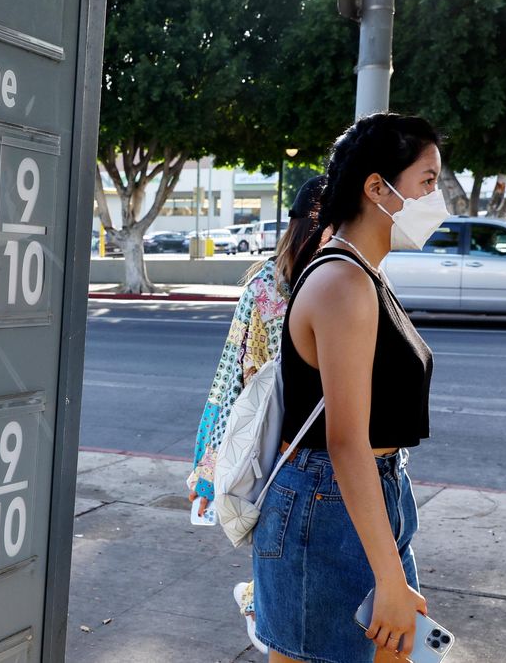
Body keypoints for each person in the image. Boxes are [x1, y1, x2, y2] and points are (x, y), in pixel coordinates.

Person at [252, 113, 446, 663]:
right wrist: (388, 577)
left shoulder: (364, 273)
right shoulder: (343, 282)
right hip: (328, 503)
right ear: (377, 188)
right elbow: (345, 441)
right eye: (427, 181)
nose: (437, 197)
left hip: (366, 497)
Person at [187, 175, 329, 654]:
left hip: (270, 442)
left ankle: (259, 604)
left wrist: (210, 466)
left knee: (282, 546)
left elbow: (229, 378)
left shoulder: (267, 280)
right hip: (293, 442)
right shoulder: (325, 281)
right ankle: (258, 605)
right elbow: (233, 374)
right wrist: (209, 471)